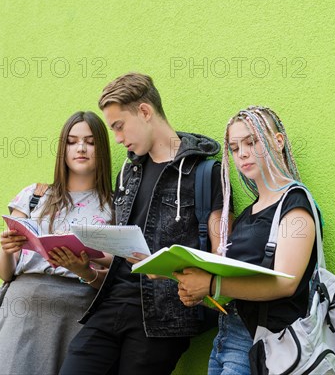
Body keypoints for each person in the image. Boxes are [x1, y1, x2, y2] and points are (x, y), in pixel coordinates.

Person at [60, 72, 228, 375]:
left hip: (163, 318)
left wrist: (166, 267)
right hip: (111, 303)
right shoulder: (128, 171)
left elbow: (220, 257)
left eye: (119, 126)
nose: (118, 138)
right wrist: (86, 261)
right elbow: (123, 248)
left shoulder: (205, 173)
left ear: (145, 112)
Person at [174, 106, 319, 374]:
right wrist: (200, 289)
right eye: (234, 147)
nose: (242, 153)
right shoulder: (248, 214)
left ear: (278, 142)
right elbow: (236, 286)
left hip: (264, 343)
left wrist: (210, 283)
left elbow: (286, 283)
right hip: (226, 337)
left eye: (251, 142)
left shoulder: (295, 205)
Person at [0, 111, 114, 375]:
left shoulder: (116, 205)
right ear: (62, 149)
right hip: (22, 311)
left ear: (102, 148)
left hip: (77, 313)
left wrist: (85, 269)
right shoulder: (34, 196)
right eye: (72, 142)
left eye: (90, 141)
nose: (81, 148)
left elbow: (119, 269)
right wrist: (7, 250)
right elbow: (4, 272)